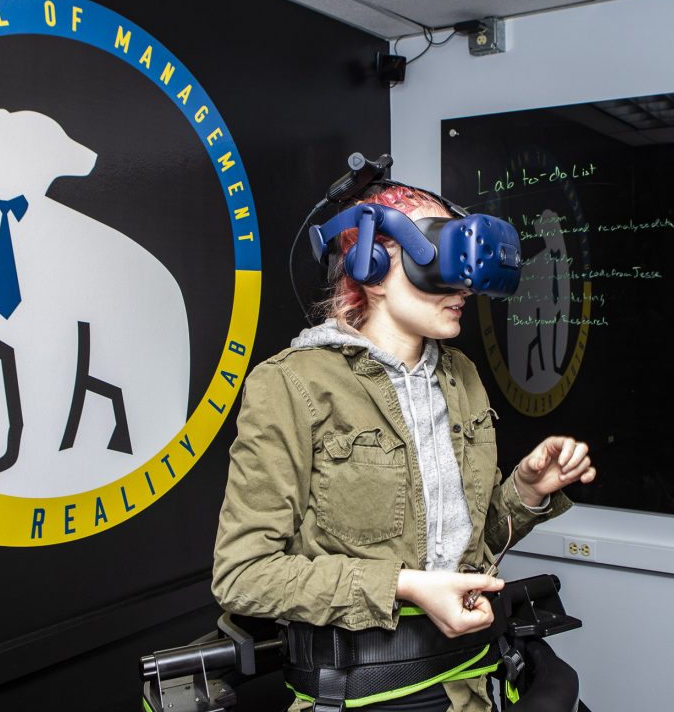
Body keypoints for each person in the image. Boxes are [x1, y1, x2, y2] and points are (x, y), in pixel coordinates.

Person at [212, 183, 596, 712]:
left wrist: (527, 493)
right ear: (371, 266)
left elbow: (469, 544)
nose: (462, 284)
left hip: (473, 687)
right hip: (361, 698)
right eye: (440, 256)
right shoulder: (293, 384)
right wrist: (405, 586)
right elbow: (243, 575)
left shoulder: (461, 377)